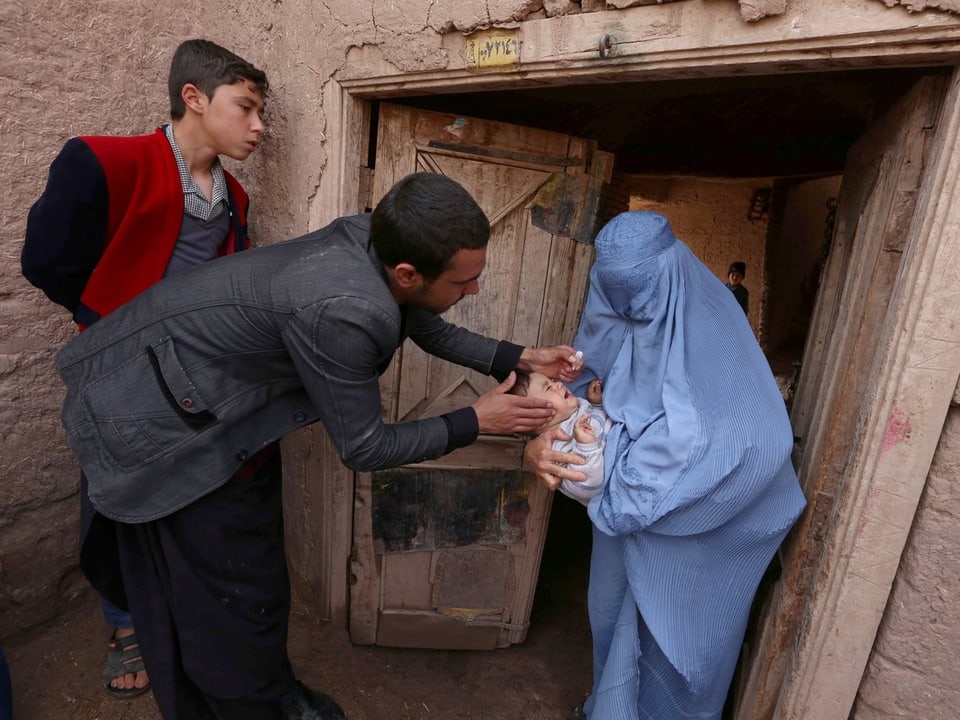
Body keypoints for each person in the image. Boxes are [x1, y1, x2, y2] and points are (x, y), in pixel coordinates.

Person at [51, 171, 581, 720]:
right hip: (154, 422)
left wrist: (519, 358)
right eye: (463, 282)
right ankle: (247, 703)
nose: (474, 290)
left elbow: (424, 320)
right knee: (225, 596)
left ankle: (263, 688)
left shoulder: (377, 236)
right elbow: (364, 448)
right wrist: (474, 419)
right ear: (406, 272)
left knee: (248, 578)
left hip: (201, 399)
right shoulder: (344, 308)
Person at [20, 38, 269, 702]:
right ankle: (124, 624)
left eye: (261, 113)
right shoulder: (105, 160)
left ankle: (174, 618)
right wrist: (111, 326)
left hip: (194, 385)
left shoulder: (234, 198)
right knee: (113, 504)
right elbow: (44, 259)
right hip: (121, 382)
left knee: (185, 497)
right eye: (245, 108)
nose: (258, 127)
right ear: (194, 98)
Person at [523, 211, 807, 720]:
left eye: (642, 301)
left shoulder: (712, 323)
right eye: (617, 301)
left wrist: (640, 485)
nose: (629, 313)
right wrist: (540, 442)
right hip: (618, 517)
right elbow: (574, 395)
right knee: (609, 616)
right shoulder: (615, 312)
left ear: (671, 278)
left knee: (674, 640)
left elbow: (756, 441)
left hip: (690, 528)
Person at [509, 369, 610, 505]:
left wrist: (597, 404)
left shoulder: (577, 407)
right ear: (537, 419)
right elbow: (587, 489)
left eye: (553, 380)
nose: (559, 384)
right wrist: (586, 448)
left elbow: (603, 423)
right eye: (548, 387)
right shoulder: (556, 449)